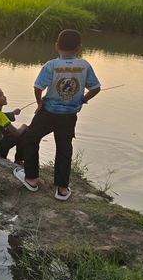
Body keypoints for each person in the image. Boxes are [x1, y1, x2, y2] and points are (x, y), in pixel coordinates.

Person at [14, 29, 101, 200]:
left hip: (48, 111)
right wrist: (81, 100)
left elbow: (38, 87)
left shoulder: (51, 65)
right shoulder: (84, 66)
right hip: (69, 114)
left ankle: (31, 178)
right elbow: (96, 88)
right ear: (79, 47)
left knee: (31, 137)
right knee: (64, 147)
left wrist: (39, 102)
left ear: (56, 46)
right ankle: (62, 189)